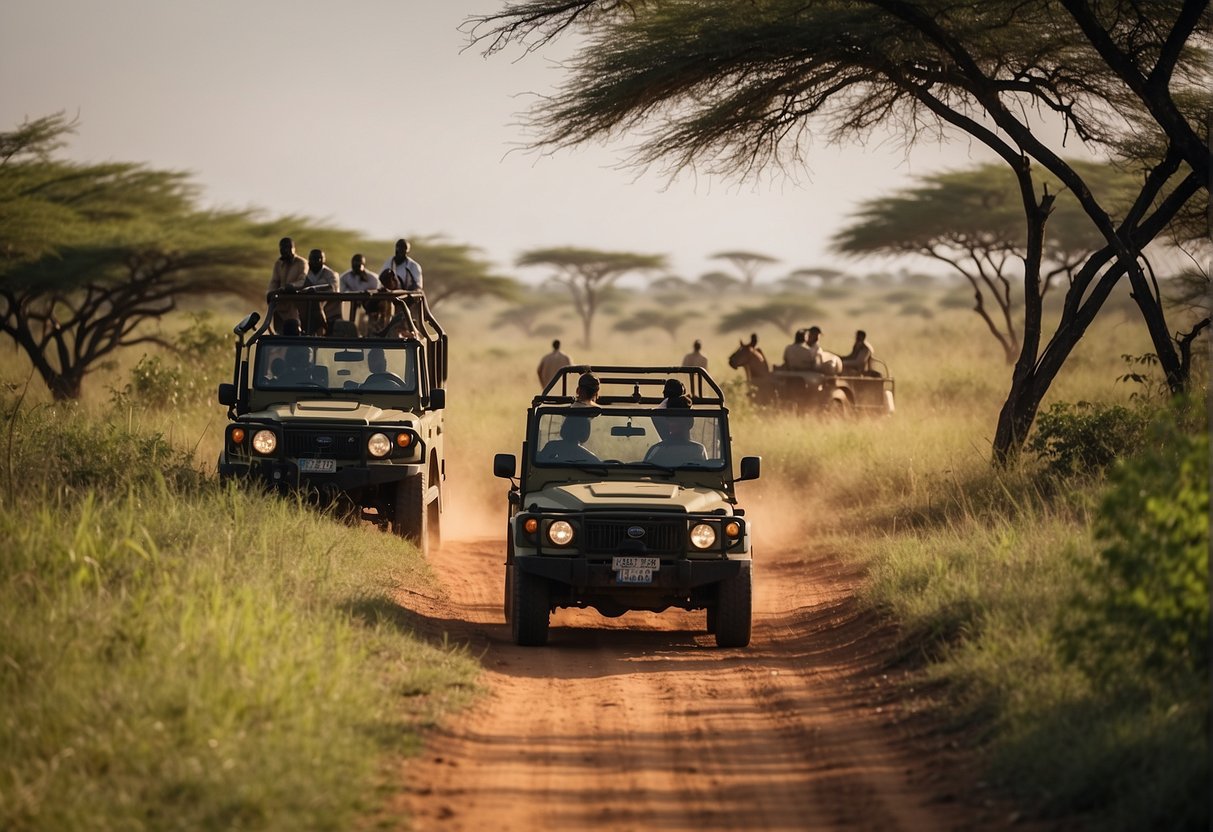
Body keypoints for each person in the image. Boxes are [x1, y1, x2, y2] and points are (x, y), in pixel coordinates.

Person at [644, 395, 707, 466]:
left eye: (679, 421)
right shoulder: (698, 450)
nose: (674, 424)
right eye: (672, 420)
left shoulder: (657, 450)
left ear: (689, 422)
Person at [267, 236, 307, 331]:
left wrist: (292, 286)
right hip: (280, 305)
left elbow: (303, 280)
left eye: (287, 247)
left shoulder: (302, 263)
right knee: (279, 334)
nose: (285, 250)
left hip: (294, 305)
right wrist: (270, 292)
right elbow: (274, 281)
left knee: (293, 331)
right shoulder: (279, 264)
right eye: (282, 248)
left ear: (293, 248)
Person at [299, 249, 341, 334]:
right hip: (306, 309)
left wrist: (316, 291)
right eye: (313, 258)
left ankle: (324, 327)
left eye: (319, 258)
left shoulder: (331, 274)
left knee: (316, 302)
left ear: (324, 259)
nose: (316, 261)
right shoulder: (303, 272)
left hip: (328, 308)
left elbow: (333, 289)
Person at [340, 254, 381, 332]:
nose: (357, 267)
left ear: (364, 264)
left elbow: (376, 293)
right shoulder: (344, 278)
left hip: (368, 307)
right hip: (350, 306)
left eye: (359, 264)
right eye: (355, 264)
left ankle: (370, 332)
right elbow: (344, 292)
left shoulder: (373, 278)